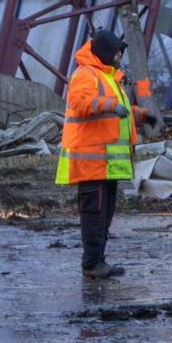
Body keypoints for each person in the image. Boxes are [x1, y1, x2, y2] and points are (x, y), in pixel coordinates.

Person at [58, 29, 157, 280]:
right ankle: (92, 264)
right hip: (91, 160)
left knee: (104, 214)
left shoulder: (106, 76)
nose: (118, 57)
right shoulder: (85, 75)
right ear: (103, 52)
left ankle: (98, 261)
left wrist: (141, 114)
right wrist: (112, 105)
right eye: (116, 52)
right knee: (94, 214)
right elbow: (82, 104)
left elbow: (116, 109)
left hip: (106, 161)